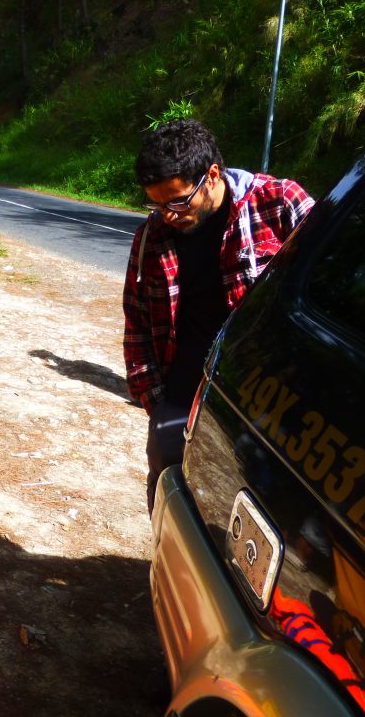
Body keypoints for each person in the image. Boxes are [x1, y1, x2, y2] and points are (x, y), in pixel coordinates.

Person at [123, 119, 314, 512]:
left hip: (266, 403)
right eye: (157, 204)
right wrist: (157, 403)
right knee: (174, 506)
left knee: (256, 514)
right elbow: (137, 323)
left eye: (177, 201)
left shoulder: (277, 204)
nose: (168, 214)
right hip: (182, 398)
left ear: (211, 175)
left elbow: (331, 282)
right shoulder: (152, 236)